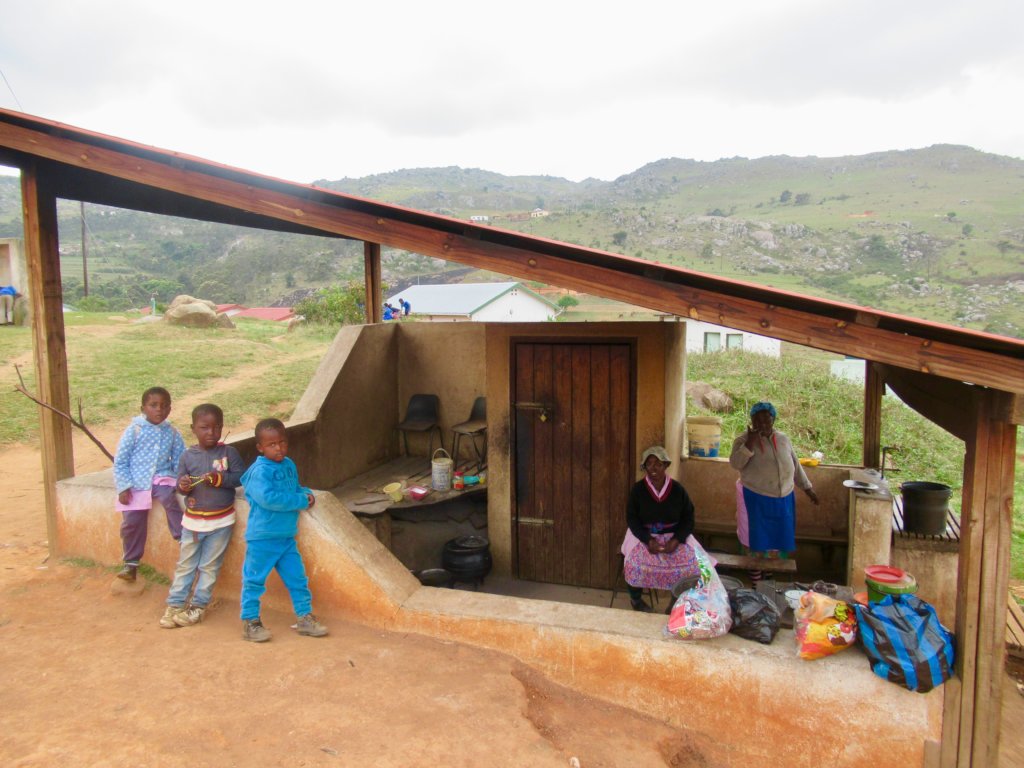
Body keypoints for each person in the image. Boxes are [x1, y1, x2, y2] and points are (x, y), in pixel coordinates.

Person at [239, 418, 328, 642]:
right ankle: (251, 622)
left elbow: (295, 488)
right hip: (262, 538)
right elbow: (268, 499)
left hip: (287, 537)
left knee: (298, 579)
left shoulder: (288, 464)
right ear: (260, 447)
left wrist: (307, 494)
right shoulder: (259, 471)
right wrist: (300, 500)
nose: (278, 448)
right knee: (254, 581)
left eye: (282, 442)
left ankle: (305, 618)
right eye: (271, 444)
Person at [159, 403, 245, 629]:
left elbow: (240, 478)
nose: (211, 433)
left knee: (209, 566)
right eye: (204, 428)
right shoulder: (188, 456)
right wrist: (184, 485)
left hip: (221, 522)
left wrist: (219, 479)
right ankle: (175, 604)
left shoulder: (229, 452)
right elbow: (180, 486)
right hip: (193, 523)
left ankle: (198, 606)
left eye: (216, 428)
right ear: (193, 429)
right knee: (186, 565)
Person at [729, 401, 819, 581]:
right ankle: (756, 584)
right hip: (755, 499)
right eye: (757, 419)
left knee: (774, 545)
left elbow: (795, 465)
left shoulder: (783, 439)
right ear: (752, 420)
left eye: (766, 419)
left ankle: (767, 581)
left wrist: (808, 489)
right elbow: (735, 463)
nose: (762, 423)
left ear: (773, 419)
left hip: (782, 500)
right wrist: (750, 444)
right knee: (756, 544)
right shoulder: (742, 440)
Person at [113, 387, 186, 581]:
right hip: (136, 482)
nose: (159, 410)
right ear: (143, 408)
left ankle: (183, 539)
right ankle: (131, 564)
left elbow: (180, 458)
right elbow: (120, 461)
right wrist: (123, 486)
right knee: (132, 521)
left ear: (170, 409)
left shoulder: (171, 432)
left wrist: (182, 479)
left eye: (164, 406)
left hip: (162, 477)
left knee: (169, 499)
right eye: (153, 405)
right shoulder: (134, 430)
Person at [621, 446, 700, 612]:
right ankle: (636, 601)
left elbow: (688, 518)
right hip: (644, 535)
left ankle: (674, 601)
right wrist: (648, 540)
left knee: (691, 566)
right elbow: (632, 519)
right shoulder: (638, 490)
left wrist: (677, 539)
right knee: (633, 564)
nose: (653, 468)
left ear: (665, 465)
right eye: (649, 464)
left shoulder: (678, 490)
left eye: (658, 463)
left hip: (674, 536)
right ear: (644, 467)